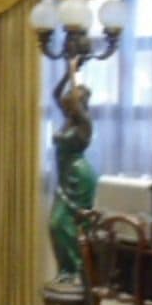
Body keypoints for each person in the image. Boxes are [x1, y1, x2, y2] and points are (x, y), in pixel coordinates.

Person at [47, 73, 97, 283]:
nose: (66, 106)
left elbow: (74, 103)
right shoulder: (69, 120)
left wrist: (73, 67)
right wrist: (68, 73)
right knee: (56, 224)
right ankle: (65, 270)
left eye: (71, 102)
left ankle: (77, 269)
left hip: (79, 176)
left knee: (66, 223)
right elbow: (55, 93)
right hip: (66, 175)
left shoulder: (84, 124)